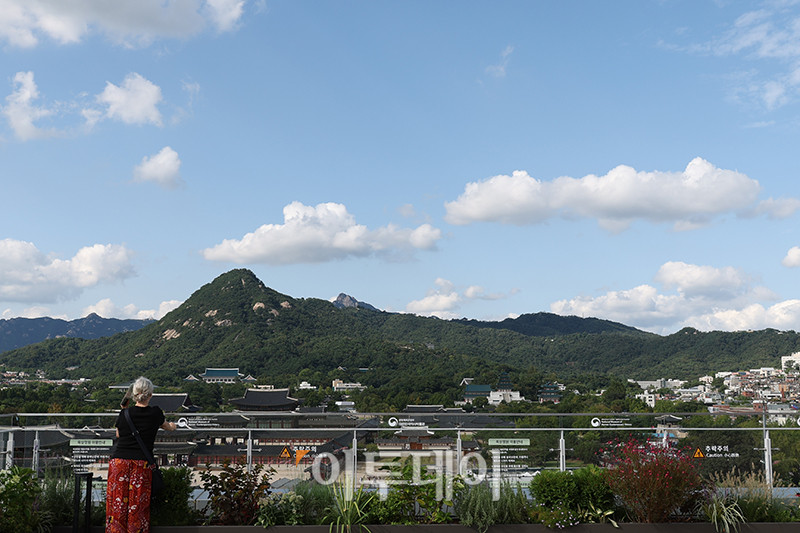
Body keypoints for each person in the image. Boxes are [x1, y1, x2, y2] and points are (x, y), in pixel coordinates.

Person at [106, 376, 177, 533]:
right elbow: (167, 427)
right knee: (137, 507)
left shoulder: (124, 414)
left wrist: (124, 409)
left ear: (134, 394)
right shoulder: (155, 413)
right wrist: (174, 425)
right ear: (150, 395)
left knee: (117, 507)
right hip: (140, 464)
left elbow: (119, 434)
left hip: (119, 463)